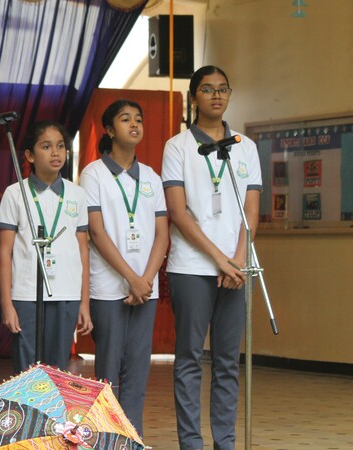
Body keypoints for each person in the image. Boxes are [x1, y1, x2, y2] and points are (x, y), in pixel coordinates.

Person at [161, 65, 262, 450]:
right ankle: (191, 443)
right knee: (189, 358)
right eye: (207, 89)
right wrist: (220, 259)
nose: (217, 95)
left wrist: (237, 258)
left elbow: (251, 210)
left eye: (223, 89)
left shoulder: (245, 146)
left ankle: (226, 442)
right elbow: (178, 212)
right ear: (194, 97)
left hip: (236, 268)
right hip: (191, 267)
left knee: (227, 362)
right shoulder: (178, 146)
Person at [79, 100, 169, 436]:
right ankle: (106, 438)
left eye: (138, 119)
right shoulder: (93, 174)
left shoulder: (152, 177)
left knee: (138, 371)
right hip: (109, 287)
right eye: (125, 119)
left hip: (145, 289)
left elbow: (162, 234)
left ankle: (132, 438)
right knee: (108, 372)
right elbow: (97, 232)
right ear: (109, 129)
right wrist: (131, 278)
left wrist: (145, 280)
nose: (134, 124)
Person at [0, 120, 92, 374]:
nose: (55, 153)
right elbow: (4, 252)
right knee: (27, 371)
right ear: (30, 155)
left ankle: (53, 404)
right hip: (26, 294)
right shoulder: (15, 193)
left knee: (57, 370)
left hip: (66, 293)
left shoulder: (77, 194)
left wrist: (84, 302)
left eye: (60, 146)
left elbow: (83, 251)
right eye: (46, 146)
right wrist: (7, 304)